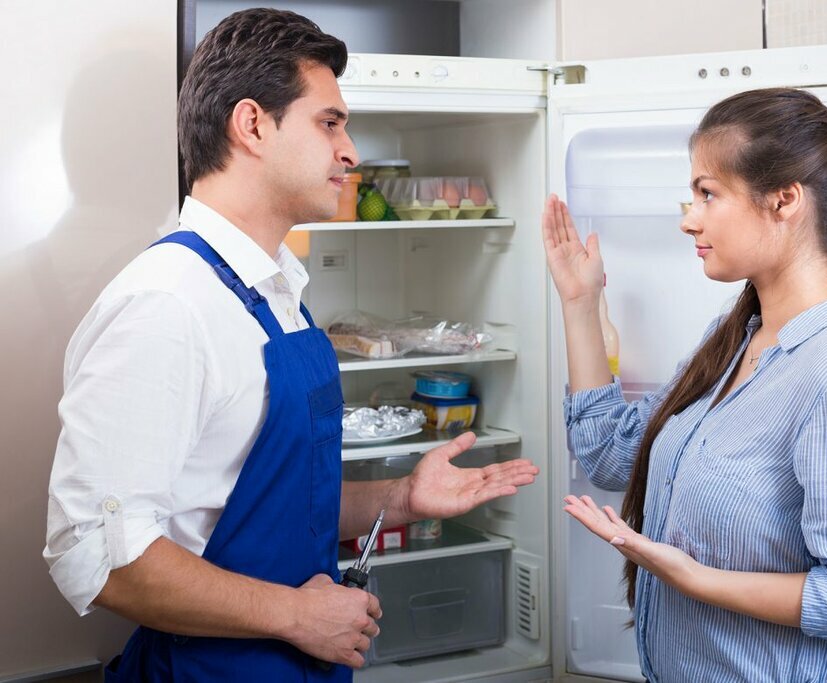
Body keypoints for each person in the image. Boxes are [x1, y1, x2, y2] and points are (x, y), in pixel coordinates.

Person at [43, 8, 538, 682]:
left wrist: (401, 496)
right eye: (329, 123)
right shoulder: (167, 304)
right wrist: (295, 615)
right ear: (252, 125)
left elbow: (267, 503)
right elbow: (97, 555)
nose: (350, 152)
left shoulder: (276, 292)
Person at [543, 88, 827, 682]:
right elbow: (611, 454)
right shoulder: (733, 343)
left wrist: (693, 577)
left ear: (784, 200)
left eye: (707, 193)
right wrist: (579, 303)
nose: (688, 219)